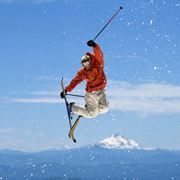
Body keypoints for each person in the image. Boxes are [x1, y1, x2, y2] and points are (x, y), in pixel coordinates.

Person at [60, 40, 109, 118]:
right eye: (84, 64)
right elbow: (75, 81)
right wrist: (66, 90)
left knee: (105, 108)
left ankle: (88, 110)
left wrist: (94, 45)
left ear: (90, 61)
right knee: (93, 114)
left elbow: (99, 54)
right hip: (91, 94)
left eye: (87, 63)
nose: (86, 65)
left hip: (101, 91)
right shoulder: (83, 72)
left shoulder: (98, 64)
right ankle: (72, 108)